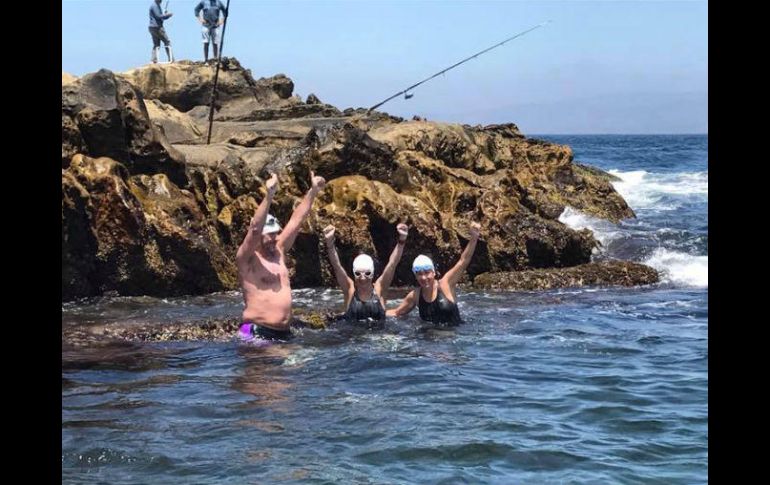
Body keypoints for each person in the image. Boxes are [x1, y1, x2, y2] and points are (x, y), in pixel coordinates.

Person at [236, 171, 326, 343]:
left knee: (302, 365)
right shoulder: (247, 258)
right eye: (270, 234)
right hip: (256, 332)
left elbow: (296, 221)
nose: (275, 238)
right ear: (260, 236)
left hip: (283, 334)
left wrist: (313, 192)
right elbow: (254, 229)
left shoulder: (279, 250)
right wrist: (269, 196)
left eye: (276, 233)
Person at [386, 222, 481, 326]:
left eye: (427, 273)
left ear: (434, 272)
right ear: (415, 276)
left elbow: (463, 261)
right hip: (429, 340)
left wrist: (474, 238)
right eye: (419, 274)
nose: (424, 277)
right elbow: (397, 312)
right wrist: (374, 312)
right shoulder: (415, 296)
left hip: (454, 338)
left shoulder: (446, 284)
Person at [323, 223, 409, 322]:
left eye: (367, 273)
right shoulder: (349, 289)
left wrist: (402, 240)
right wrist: (330, 243)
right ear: (354, 273)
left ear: (372, 273)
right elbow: (337, 266)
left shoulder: (380, 288)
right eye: (358, 274)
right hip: (353, 337)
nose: (362, 278)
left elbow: (392, 263)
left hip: (379, 337)